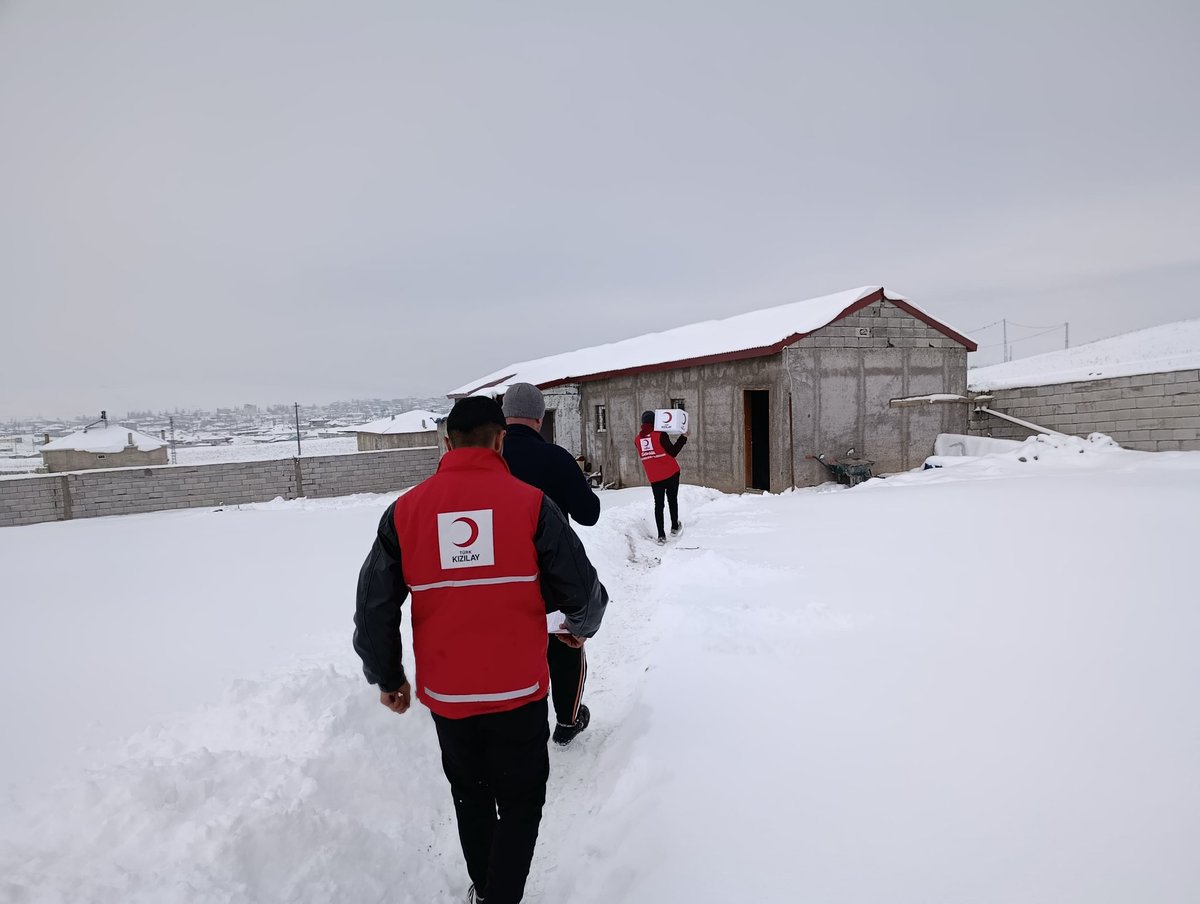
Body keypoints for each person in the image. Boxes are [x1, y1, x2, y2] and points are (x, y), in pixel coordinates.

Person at [354, 396, 608, 904]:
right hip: (520, 690)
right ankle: (501, 896)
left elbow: (374, 603)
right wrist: (578, 627)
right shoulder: (533, 505)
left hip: (449, 695)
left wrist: (388, 677)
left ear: (446, 442)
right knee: (521, 799)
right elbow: (582, 590)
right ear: (500, 441)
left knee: (470, 794)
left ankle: (486, 888)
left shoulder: (404, 512)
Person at [500, 382, 601, 746]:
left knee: (513, 648)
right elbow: (589, 514)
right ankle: (567, 721)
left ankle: (519, 722)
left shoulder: (489, 459)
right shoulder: (556, 458)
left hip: (500, 578)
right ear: (540, 419)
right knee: (565, 643)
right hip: (553, 576)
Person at [634, 409, 688, 544]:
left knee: (658, 505)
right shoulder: (660, 434)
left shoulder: (637, 440)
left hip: (655, 477)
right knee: (672, 500)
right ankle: (674, 527)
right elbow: (673, 452)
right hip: (671, 473)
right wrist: (683, 437)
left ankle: (661, 536)